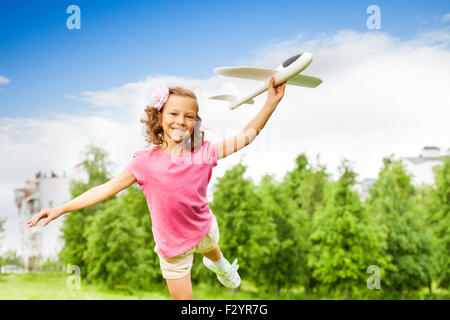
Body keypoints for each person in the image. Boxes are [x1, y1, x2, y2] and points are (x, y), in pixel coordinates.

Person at [28, 76, 286, 300]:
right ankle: (215, 260)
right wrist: (61, 208)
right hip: (172, 247)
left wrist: (271, 101)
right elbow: (105, 189)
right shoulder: (144, 162)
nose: (180, 121)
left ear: (195, 122)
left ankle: (219, 264)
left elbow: (247, 135)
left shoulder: (204, 153)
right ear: (159, 116)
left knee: (210, 243)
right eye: (173, 114)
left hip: (203, 226)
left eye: (189, 116)